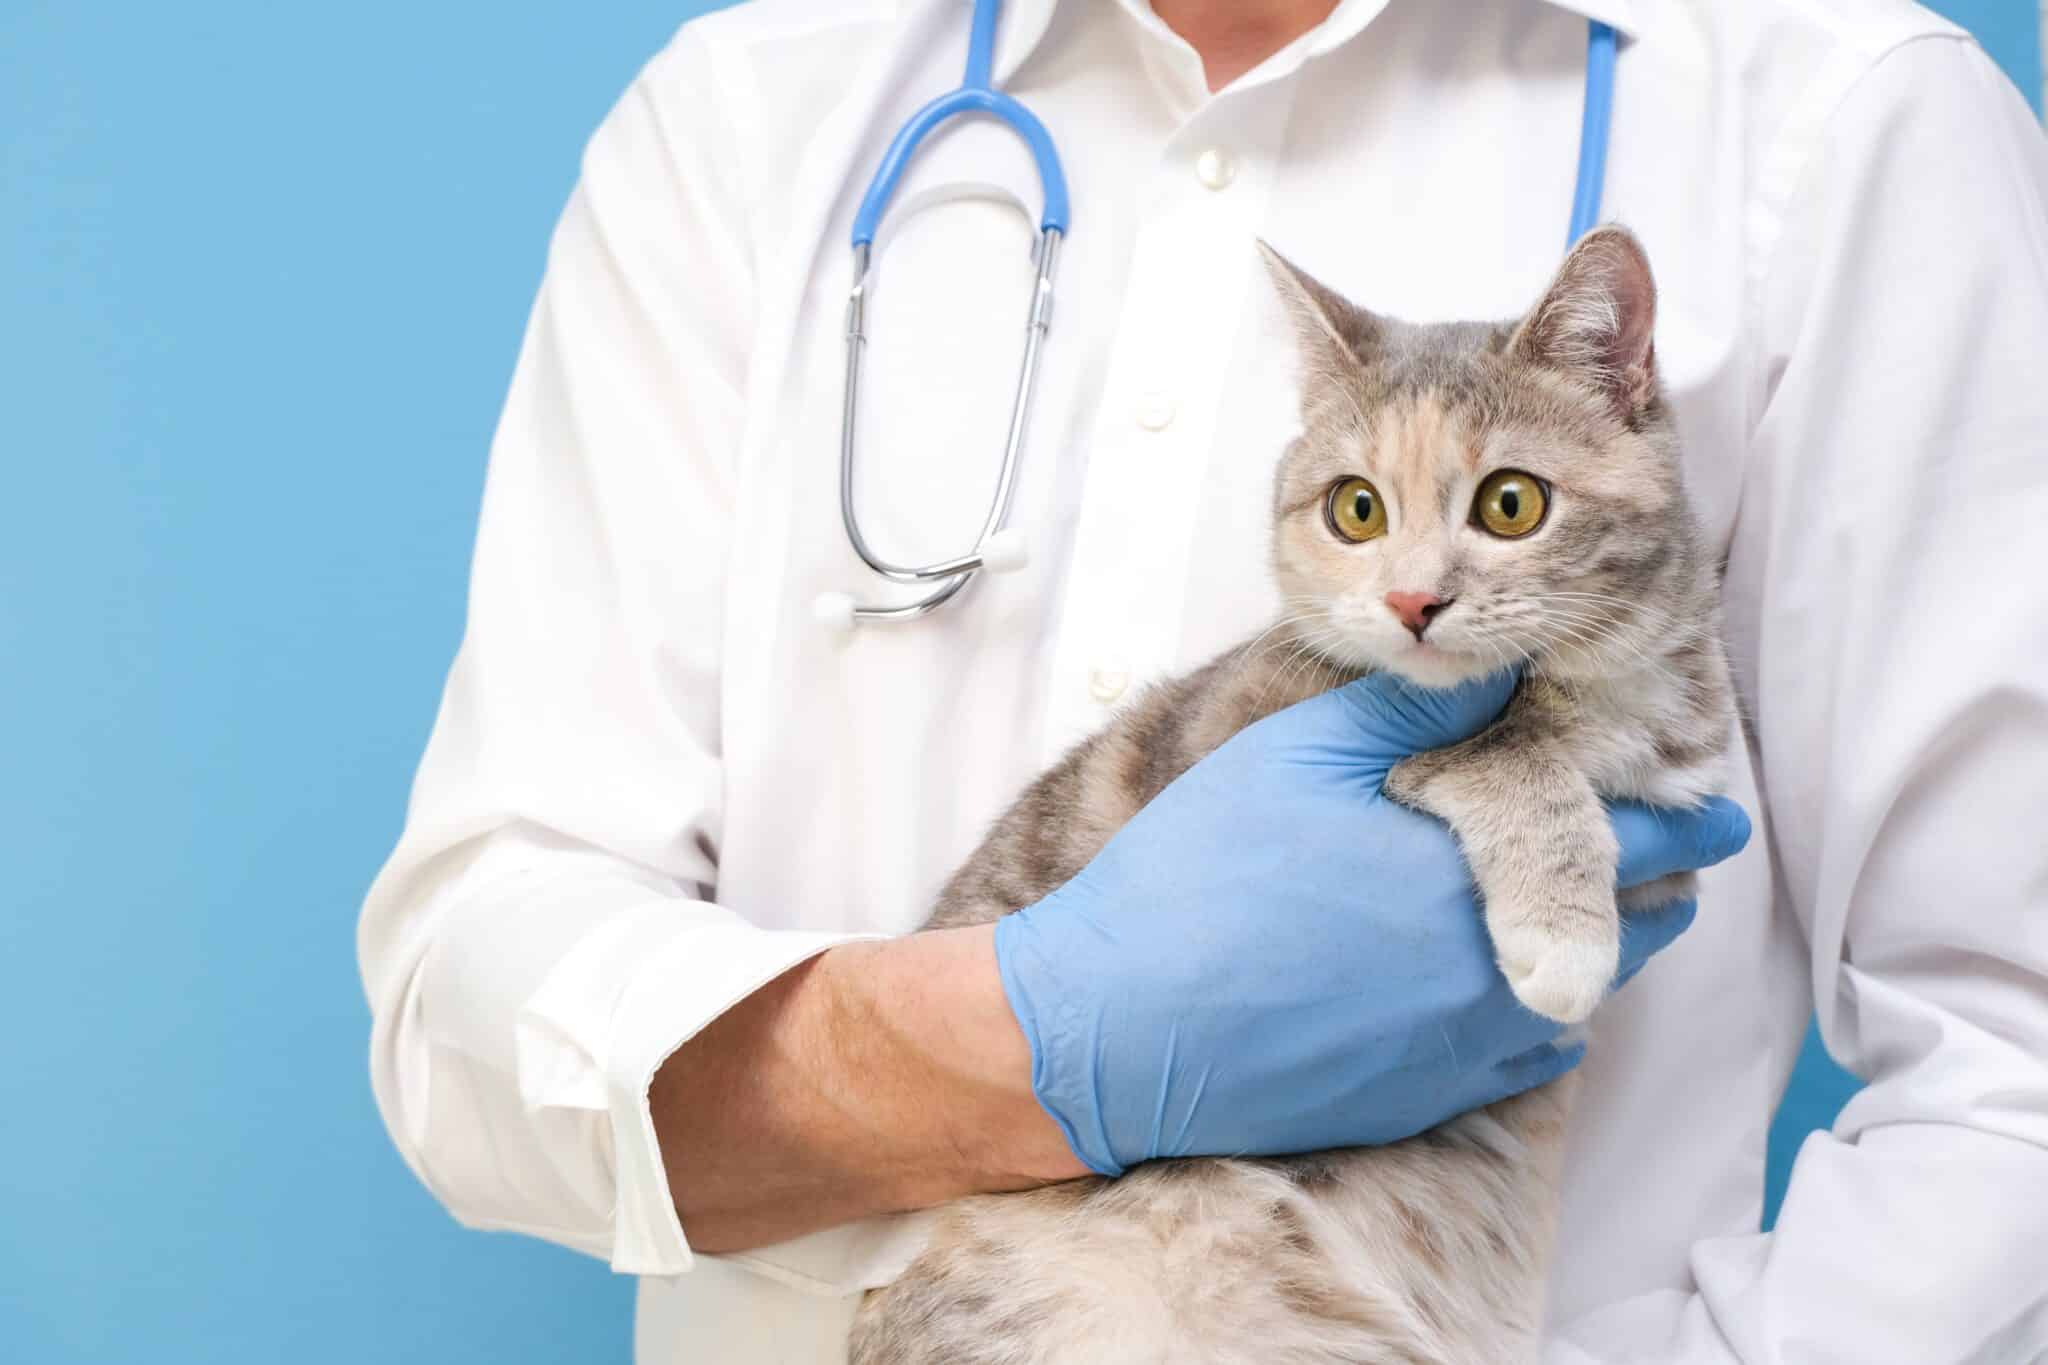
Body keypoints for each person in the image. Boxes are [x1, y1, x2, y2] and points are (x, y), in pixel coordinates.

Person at [357, 0, 2048, 1359]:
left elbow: (2014, 1067)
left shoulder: (1838, 117)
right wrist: (1049, 1030)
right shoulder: (746, 114)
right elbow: (473, 1001)